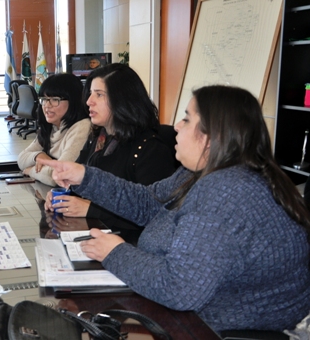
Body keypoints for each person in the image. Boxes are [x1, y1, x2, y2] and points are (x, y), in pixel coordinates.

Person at [40, 85, 310, 333]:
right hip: (191, 314)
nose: (176, 127)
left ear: (212, 136)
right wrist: (84, 177)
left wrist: (115, 252)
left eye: (187, 119)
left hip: (213, 328)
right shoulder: (201, 172)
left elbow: (179, 288)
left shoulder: (226, 192)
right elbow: (147, 204)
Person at [44, 64, 177, 226]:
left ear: (122, 99)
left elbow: (153, 215)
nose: (89, 102)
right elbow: (80, 180)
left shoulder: (151, 149)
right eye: (90, 93)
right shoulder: (99, 137)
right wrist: (62, 194)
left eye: (99, 95)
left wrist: (91, 210)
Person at [17, 73, 91, 186]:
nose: (47, 105)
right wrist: (38, 156)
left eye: (55, 99)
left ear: (73, 101)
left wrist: (30, 171)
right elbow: (21, 159)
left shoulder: (82, 126)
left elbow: (58, 176)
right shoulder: (52, 126)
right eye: (44, 99)